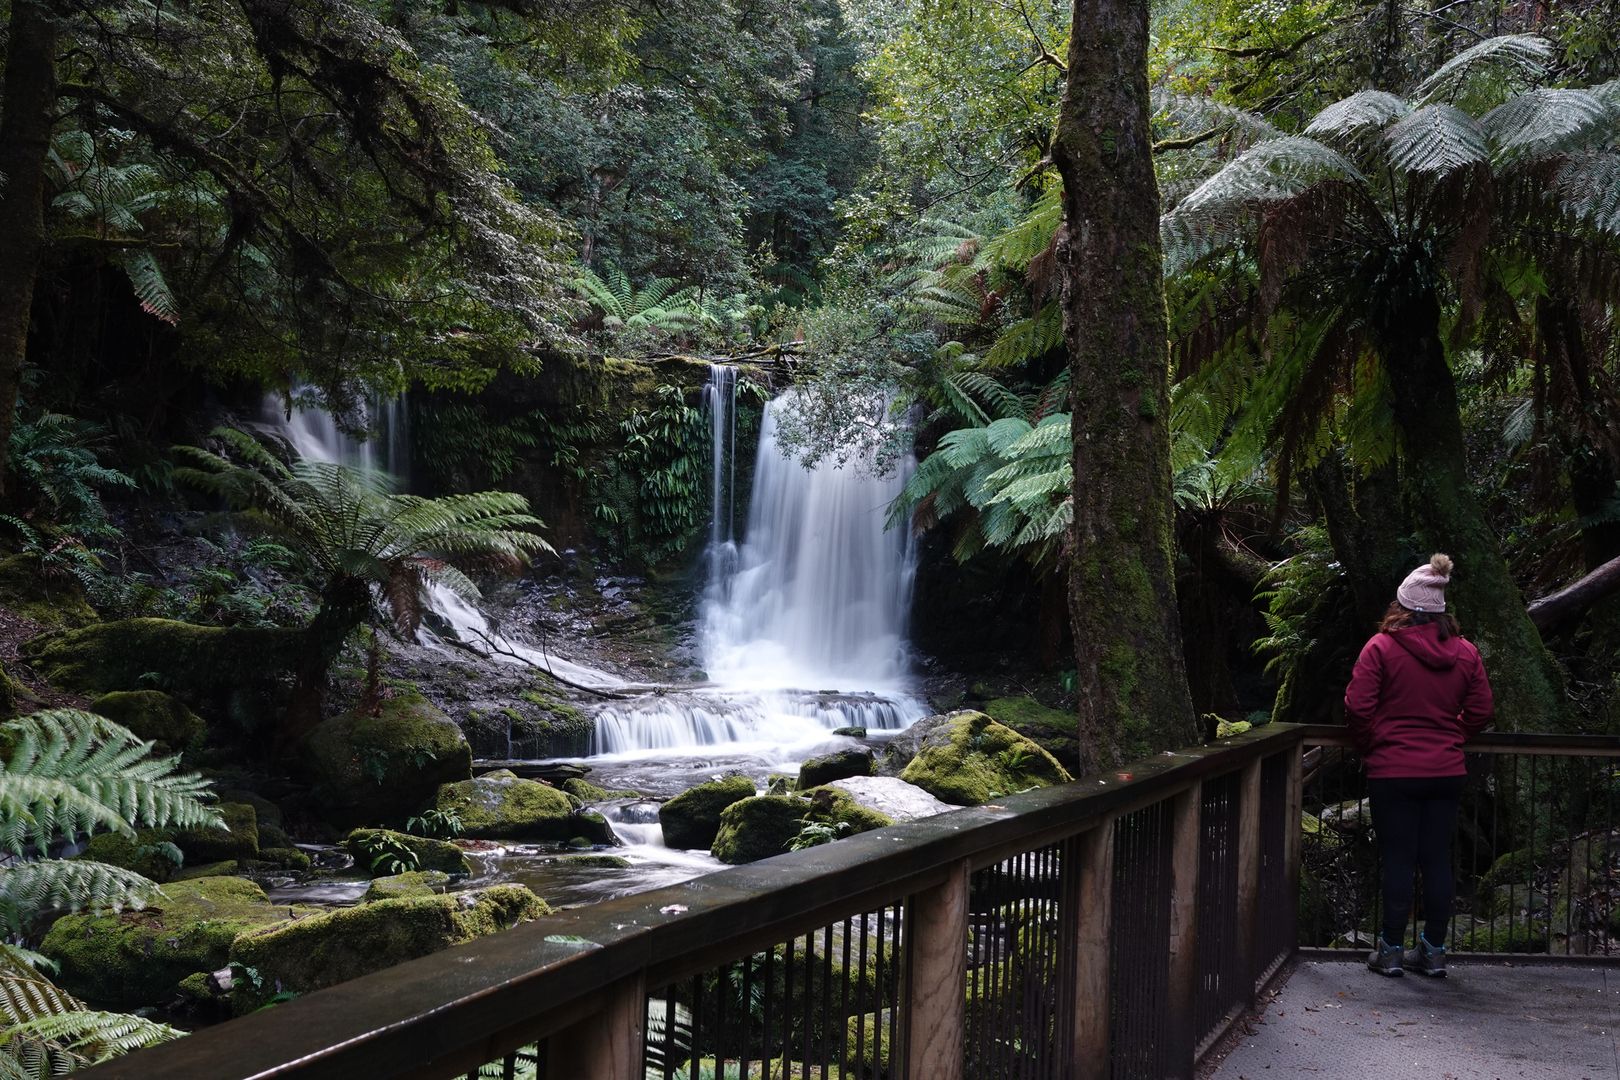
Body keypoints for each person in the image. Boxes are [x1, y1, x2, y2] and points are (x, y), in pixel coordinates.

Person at [1344, 553, 1494, 978]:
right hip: (1445, 772)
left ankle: (1391, 950)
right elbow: (1482, 710)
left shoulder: (1381, 648)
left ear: (1403, 606)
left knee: (1398, 859)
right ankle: (1433, 950)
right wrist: (1453, 735)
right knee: (1436, 860)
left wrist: (1373, 743)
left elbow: (1358, 706)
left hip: (1393, 770)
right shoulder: (1465, 652)